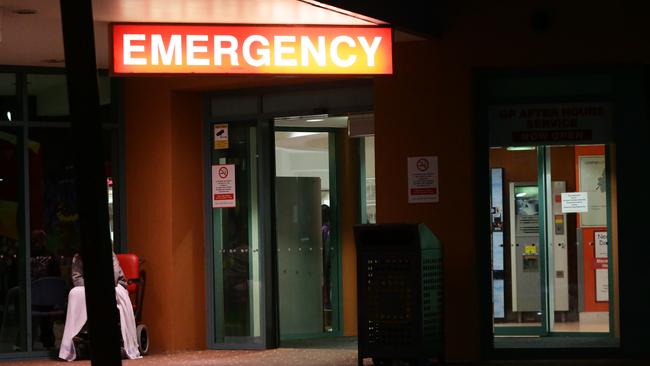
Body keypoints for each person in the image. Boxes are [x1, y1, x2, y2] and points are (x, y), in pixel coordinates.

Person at [59, 252, 141, 361]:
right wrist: (93, 286)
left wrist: (97, 286)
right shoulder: (78, 257)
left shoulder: (110, 255)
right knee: (74, 293)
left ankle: (118, 343)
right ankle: (74, 338)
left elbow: (114, 277)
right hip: (88, 287)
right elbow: (77, 279)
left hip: (115, 286)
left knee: (104, 292)